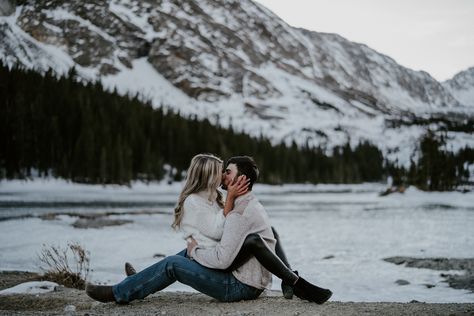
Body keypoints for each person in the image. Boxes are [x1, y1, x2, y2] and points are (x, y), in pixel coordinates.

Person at [86, 154, 332, 304]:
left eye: (228, 172)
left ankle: (120, 293)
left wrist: (194, 251)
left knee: (174, 262)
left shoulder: (238, 213)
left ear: (240, 180)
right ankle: (138, 282)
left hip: (237, 287)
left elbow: (223, 260)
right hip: (250, 281)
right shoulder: (246, 203)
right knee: (182, 255)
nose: (223, 176)